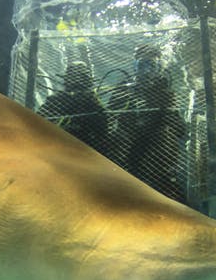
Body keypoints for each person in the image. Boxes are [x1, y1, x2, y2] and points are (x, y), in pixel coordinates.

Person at [106, 44, 187, 201]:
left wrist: (164, 106)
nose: (147, 71)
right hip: (127, 156)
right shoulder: (124, 88)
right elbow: (108, 118)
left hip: (158, 158)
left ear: (159, 67)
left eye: (152, 65)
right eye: (142, 65)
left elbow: (180, 130)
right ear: (135, 66)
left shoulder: (164, 92)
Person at [37, 59, 110, 156]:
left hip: (83, 149)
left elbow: (103, 128)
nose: (77, 81)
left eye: (80, 77)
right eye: (75, 77)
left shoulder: (91, 101)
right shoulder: (57, 99)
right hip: (61, 148)